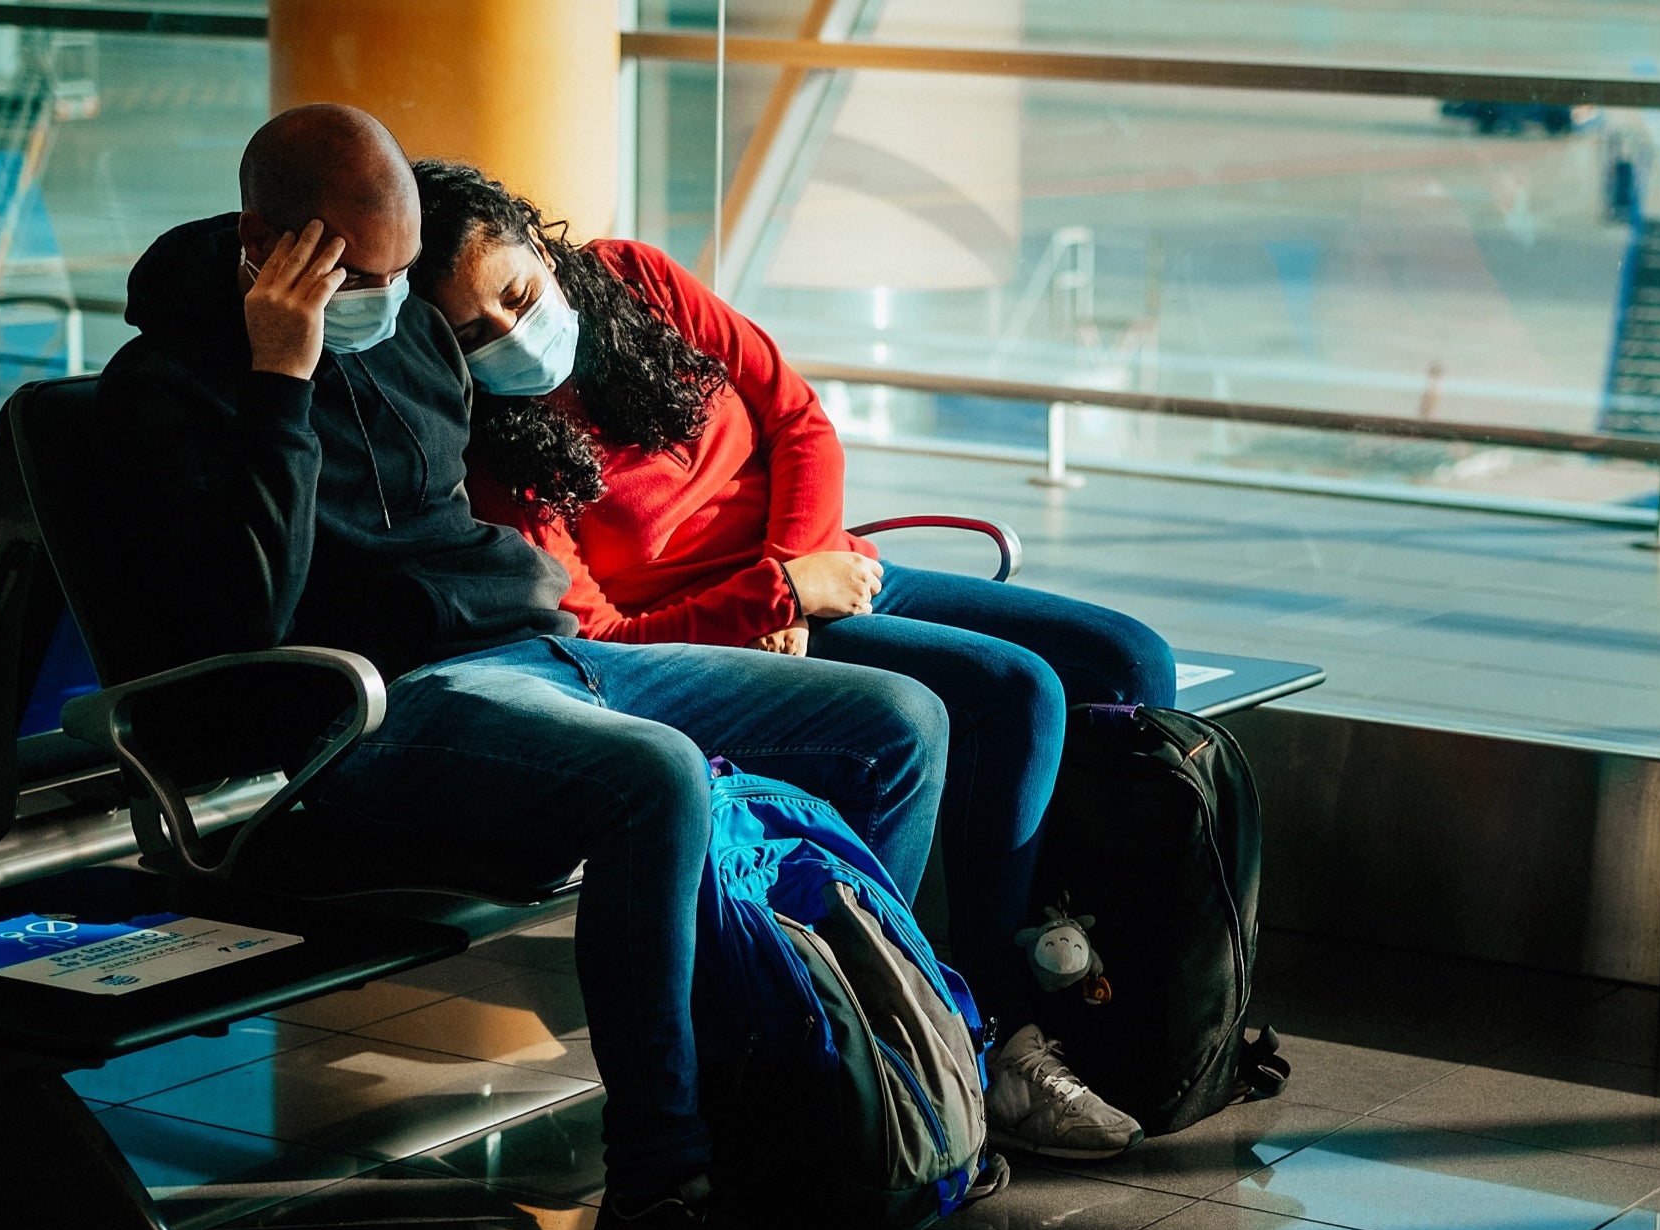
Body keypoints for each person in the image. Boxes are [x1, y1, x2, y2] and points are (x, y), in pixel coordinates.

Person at [97, 104, 952, 1230]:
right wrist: (281, 381)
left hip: (531, 651)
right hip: (371, 704)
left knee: (894, 722)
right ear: (265, 244)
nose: (388, 304)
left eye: (399, 276)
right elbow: (239, 621)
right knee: (655, 781)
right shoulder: (167, 388)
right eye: (358, 277)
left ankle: (816, 1113)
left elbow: (446, 522)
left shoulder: (401, 335)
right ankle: (660, 1198)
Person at [408, 160, 1178, 1165]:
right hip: (721, 630)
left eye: (517, 294)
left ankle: (1083, 987)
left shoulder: (637, 279)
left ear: (541, 248)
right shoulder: (488, 448)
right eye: (473, 334)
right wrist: (775, 600)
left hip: (818, 569)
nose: (512, 334)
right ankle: (985, 1032)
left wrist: (799, 567)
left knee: (1126, 664)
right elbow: (602, 641)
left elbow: (795, 418)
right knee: (1017, 695)